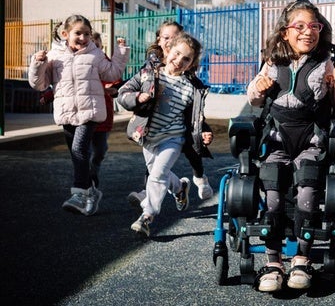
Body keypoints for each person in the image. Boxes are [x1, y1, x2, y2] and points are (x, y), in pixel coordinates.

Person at [247, 0, 335, 292]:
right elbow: (253, 97)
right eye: (300, 26)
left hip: (312, 140)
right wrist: (258, 89)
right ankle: (273, 263)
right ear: (285, 32)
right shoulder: (272, 62)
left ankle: (302, 260)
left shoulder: (326, 63)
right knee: (273, 196)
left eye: (314, 26)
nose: (308, 32)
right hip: (278, 140)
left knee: (307, 192)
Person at [28, 14, 130, 216]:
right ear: (65, 34)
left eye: (86, 34)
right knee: (77, 156)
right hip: (66, 113)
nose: (83, 38)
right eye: (78, 33)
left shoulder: (95, 54)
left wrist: (120, 53)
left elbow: (112, 74)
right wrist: (37, 64)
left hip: (90, 111)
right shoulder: (55, 56)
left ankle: (80, 193)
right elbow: (39, 84)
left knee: (79, 150)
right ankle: (91, 190)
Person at [118, 31, 212, 237]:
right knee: (156, 172)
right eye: (176, 54)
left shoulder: (191, 88)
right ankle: (179, 188)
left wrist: (204, 131)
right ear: (167, 50)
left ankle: (147, 216)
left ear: (192, 64)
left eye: (186, 59)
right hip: (148, 137)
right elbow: (123, 93)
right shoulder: (149, 74)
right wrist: (137, 97)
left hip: (173, 138)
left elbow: (197, 117)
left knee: (158, 175)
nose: (179, 61)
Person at [89, 32, 123, 187]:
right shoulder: (79, 63)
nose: (94, 46)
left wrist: (115, 88)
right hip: (85, 113)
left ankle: (93, 170)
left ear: (101, 46)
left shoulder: (105, 62)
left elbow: (117, 80)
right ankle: (86, 179)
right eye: (91, 44)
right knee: (83, 150)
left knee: (100, 150)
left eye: (97, 44)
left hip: (104, 114)